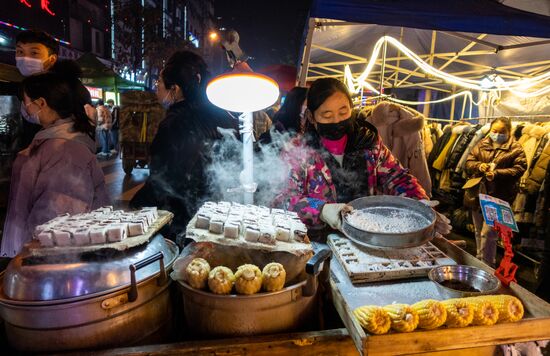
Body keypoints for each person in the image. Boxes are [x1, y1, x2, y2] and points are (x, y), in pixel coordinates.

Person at [276, 78, 451, 240]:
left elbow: (397, 178)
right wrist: (321, 210)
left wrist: (419, 205)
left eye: (343, 112)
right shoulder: (298, 151)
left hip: (369, 239)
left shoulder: (369, 143)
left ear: (351, 109)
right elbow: (283, 199)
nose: (337, 120)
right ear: (312, 117)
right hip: (318, 243)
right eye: (327, 116)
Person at [1, 72, 110, 257]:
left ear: (41, 103)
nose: (24, 107)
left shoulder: (65, 151)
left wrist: (29, 261)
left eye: (25, 101)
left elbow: (54, 224)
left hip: (45, 264)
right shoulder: (54, 141)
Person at [130, 50, 235, 238]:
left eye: (159, 83)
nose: (156, 89)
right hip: (221, 220)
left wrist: (136, 204)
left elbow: (162, 181)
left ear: (175, 89)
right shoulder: (223, 116)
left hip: (182, 224)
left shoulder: (174, 123)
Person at [465, 117, 526, 265]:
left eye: (502, 132)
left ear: (509, 131)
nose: (498, 134)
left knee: (489, 234)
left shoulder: (516, 149)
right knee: (478, 231)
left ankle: (487, 266)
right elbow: (468, 162)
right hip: (477, 194)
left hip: (498, 197)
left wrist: (497, 173)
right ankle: (478, 262)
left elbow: (519, 169)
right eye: (495, 131)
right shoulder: (481, 144)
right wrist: (479, 166)